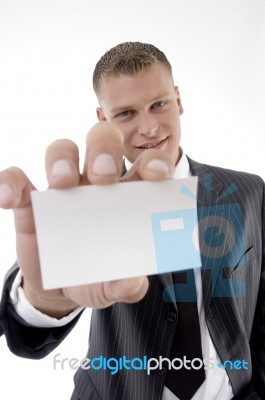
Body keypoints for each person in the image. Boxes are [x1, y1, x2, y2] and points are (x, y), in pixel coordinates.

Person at [0, 42, 264, 400]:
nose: (150, 128)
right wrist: (44, 300)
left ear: (179, 100)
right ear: (102, 120)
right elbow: (27, 325)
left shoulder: (248, 191)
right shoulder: (89, 204)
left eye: (159, 104)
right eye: (126, 113)